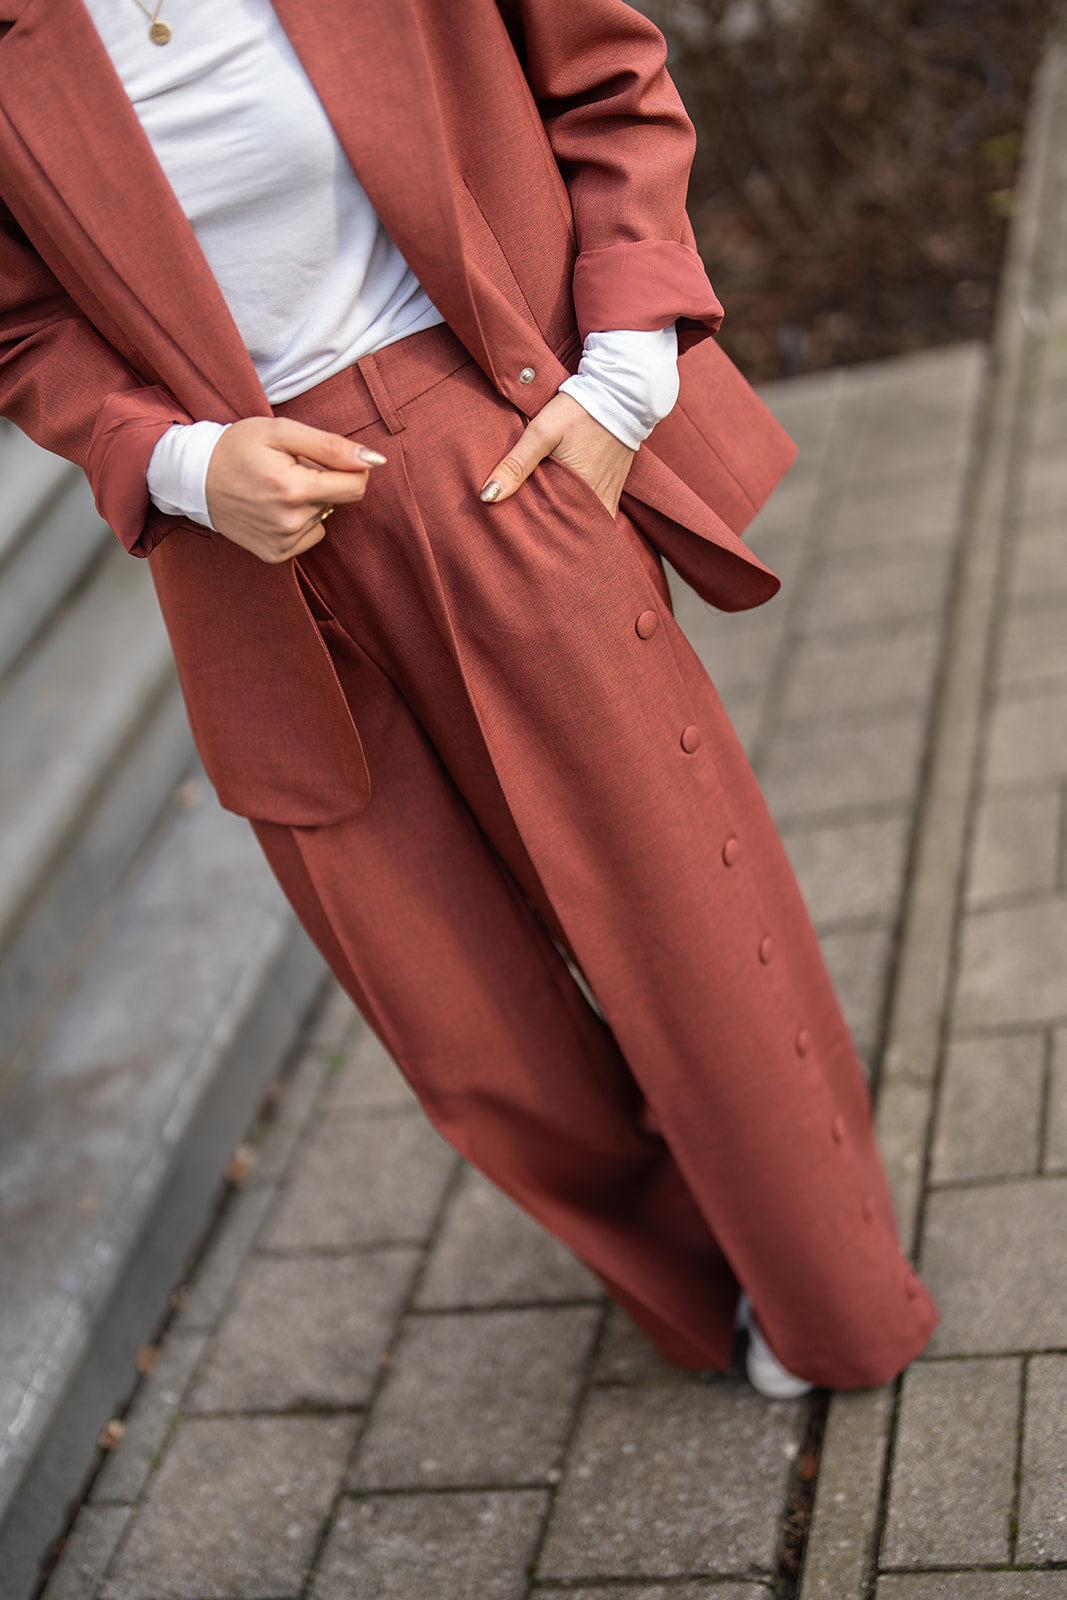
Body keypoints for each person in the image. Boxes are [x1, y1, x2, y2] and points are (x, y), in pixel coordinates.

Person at [0, 0, 937, 1394]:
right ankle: (701, 1274)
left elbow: (605, 76)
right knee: (466, 1027)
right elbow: (22, 324)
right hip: (245, 555)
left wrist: (624, 374)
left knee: (681, 923)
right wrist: (177, 464)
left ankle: (828, 1298)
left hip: (493, 455)